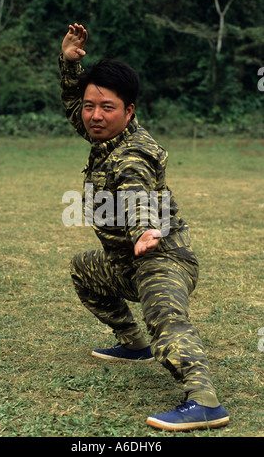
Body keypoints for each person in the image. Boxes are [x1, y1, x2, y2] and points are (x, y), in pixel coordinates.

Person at [59, 23, 229, 432]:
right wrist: (68, 66)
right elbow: (73, 104)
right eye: (89, 106)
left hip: (161, 257)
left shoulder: (133, 152)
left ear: (129, 110)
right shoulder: (105, 133)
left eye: (106, 107)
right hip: (125, 261)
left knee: (165, 313)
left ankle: (205, 401)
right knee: (83, 267)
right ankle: (134, 345)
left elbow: (137, 193)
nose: (94, 116)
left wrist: (145, 231)